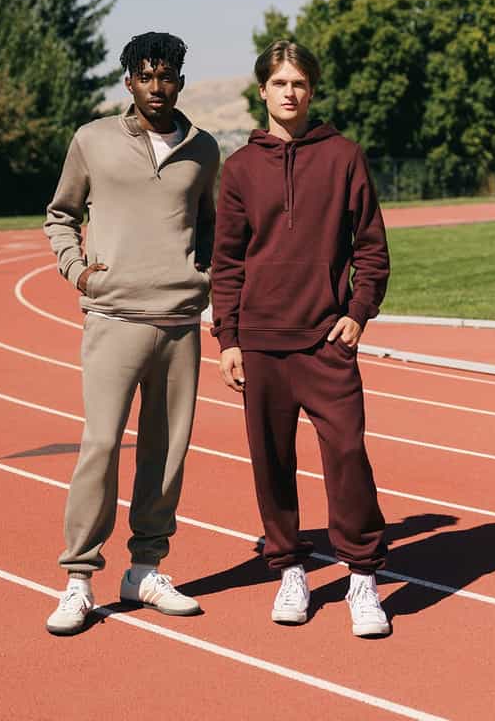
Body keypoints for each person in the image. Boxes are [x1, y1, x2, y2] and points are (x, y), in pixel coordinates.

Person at [210, 40, 391, 636]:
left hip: (325, 340)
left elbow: (372, 249)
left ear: (311, 92)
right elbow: (228, 260)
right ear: (261, 91)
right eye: (280, 83)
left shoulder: (343, 157)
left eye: (301, 84)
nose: (291, 93)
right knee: (273, 463)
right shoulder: (238, 169)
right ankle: (289, 567)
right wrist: (228, 337)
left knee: (347, 455)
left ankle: (363, 575)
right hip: (260, 344)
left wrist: (358, 313)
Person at [43, 31, 219, 635]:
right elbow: (60, 214)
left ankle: (145, 569)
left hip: (179, 324)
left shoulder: (204, 150)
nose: (157, 86)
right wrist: (78, 271)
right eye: (145, 76)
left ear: (180, 81)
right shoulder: (92, 140)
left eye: (166, 76)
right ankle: (78, 579)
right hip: (113, 318)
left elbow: (214, 228)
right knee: (99, 447)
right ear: (128, 81)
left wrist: (205, 276)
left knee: (166, 454)